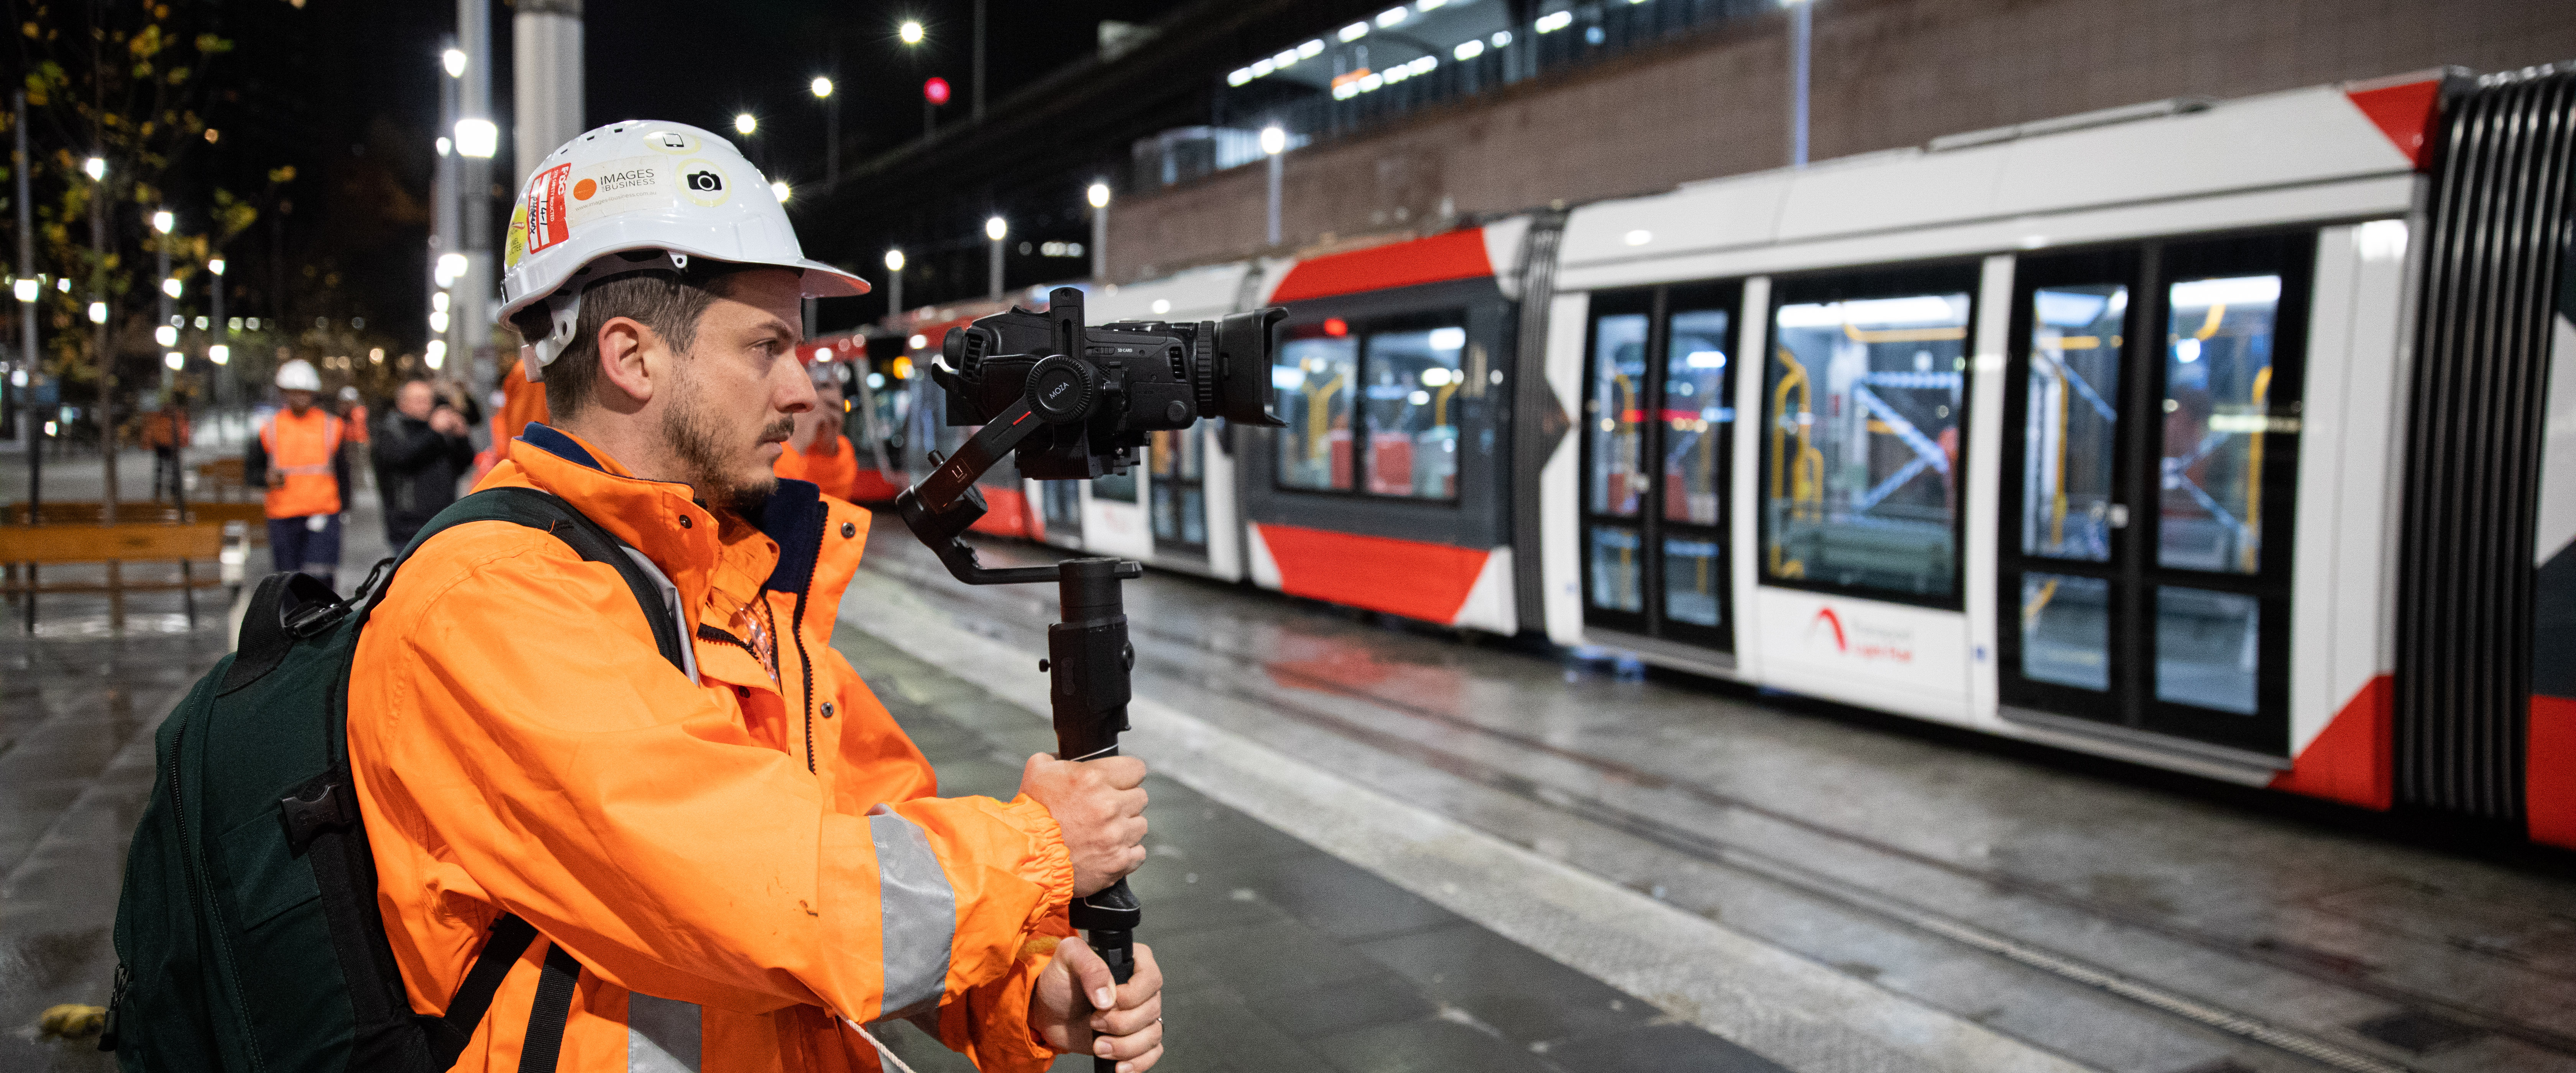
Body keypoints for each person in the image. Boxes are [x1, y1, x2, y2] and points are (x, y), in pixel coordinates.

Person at [347, 120, 1163, 1073]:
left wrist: (1020, 994)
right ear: (632, 357)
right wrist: (1038, 843)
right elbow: (763, 893)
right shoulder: (490, 601)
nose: (800, 393)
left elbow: (864, 843)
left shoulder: (720, 573)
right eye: (768, 347)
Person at [244, 359, 350, 589]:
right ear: (284, 394)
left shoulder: (331, 426)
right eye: (294, 393)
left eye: (305, 393)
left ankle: (325, 623)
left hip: (323, 512)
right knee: (287, 581)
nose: (300, 398)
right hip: (283, 514)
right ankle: (292, 624)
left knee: (320, 579)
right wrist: (265, 479)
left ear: (313, 394)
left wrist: (346, 509)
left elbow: (343, 471)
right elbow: (251, 471)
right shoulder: (269, 427)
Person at [371, 377, 478, 547]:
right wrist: (433, 431)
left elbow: (463, 464)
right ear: (402, 404)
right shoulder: (390, 430)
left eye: (428, 400)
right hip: (408, 528)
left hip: (444, 522)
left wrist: (461, 437)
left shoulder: (439, 430)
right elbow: (403, 458)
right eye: (417, 400)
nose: (424, 405)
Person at [774, 360, 863, 501]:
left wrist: (829, 449)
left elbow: (833, 508)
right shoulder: (770, 442)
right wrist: (795, 442)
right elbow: (775, 500)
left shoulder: (842, 450)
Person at [139, 394, 191, 502]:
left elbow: (183, 432)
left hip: (170, 447)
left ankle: (170, 491)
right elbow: (152, 432)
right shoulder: (164, 417)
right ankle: (163, 491)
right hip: (163, 447)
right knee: (164, 470)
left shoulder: (176, 417)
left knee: (171, 471)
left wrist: (183, 442)